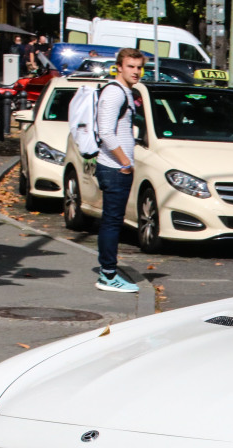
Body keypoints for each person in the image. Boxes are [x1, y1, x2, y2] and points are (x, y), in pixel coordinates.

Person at [94, 47, 146, 294]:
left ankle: (109, 271)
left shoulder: (126, 91)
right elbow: (104, 132)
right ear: (119, 67)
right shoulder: (114, 94)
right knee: (112, 222)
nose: (136, 71)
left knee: (113, 221)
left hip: (118, 168)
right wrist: (125, 162)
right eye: (130, 67)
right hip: (114, 168)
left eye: (138, 67)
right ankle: (108, 274)